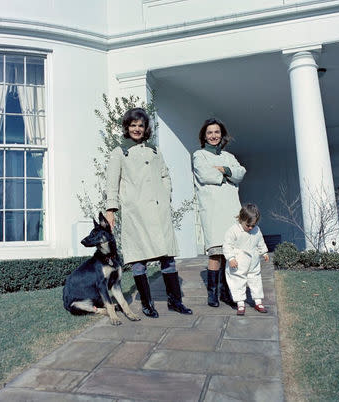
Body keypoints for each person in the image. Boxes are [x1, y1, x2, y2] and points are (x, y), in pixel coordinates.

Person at [105, 107, 192, 318]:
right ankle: (147, 304)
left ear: (146, 129)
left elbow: (165, 175)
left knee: (167, 258)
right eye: (133, 125)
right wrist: (111, 209)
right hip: (136, 213)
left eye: (141, 125)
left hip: (158, 210)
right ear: (127, 127)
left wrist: (166, 194)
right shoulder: (120, 151)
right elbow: (111, 183)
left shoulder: (155, 150)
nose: (137, 129)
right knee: (139, 259)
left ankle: (175, 301)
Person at [192, 118, 246, 308]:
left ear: (221, 135)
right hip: (213, 210)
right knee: (215, 253)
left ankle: (228, 292)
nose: (214, 136)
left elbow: (240, 173)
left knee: (231, 253)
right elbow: (205, 175)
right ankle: (213, 294)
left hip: (232, 209)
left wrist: (224, 169)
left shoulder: (229, 156)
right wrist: (228, 176)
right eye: (210, 133)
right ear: (204, 136)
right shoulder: (199, 155)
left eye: (217, 132)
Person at [223, 204, 269, 316]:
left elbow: (260, 242)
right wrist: (231, 258)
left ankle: (258, 301)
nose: (250, 228)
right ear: (241, 219)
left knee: (255, 279)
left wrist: (264, 252)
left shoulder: (256, 230)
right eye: (248, 225)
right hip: (238, 261)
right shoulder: (233, 230)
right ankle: (240, 302)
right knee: (238, 281)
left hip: (253, 260)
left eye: (253, 225)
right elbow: (227, 245)